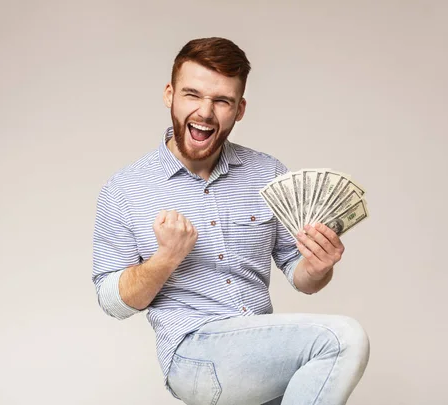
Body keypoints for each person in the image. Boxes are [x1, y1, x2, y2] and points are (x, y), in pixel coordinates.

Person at [92, 37, 370, 405]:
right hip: (194, 353)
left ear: (239, 110)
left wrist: (318, 266)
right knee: (342, 338)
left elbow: (299, 276)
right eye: (192, 94)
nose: (205, 112)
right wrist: (166, 259)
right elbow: (112, 302)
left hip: (261, 348)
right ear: (169, 95)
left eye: (221, 101)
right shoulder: (125, 189)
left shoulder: (267, 173)